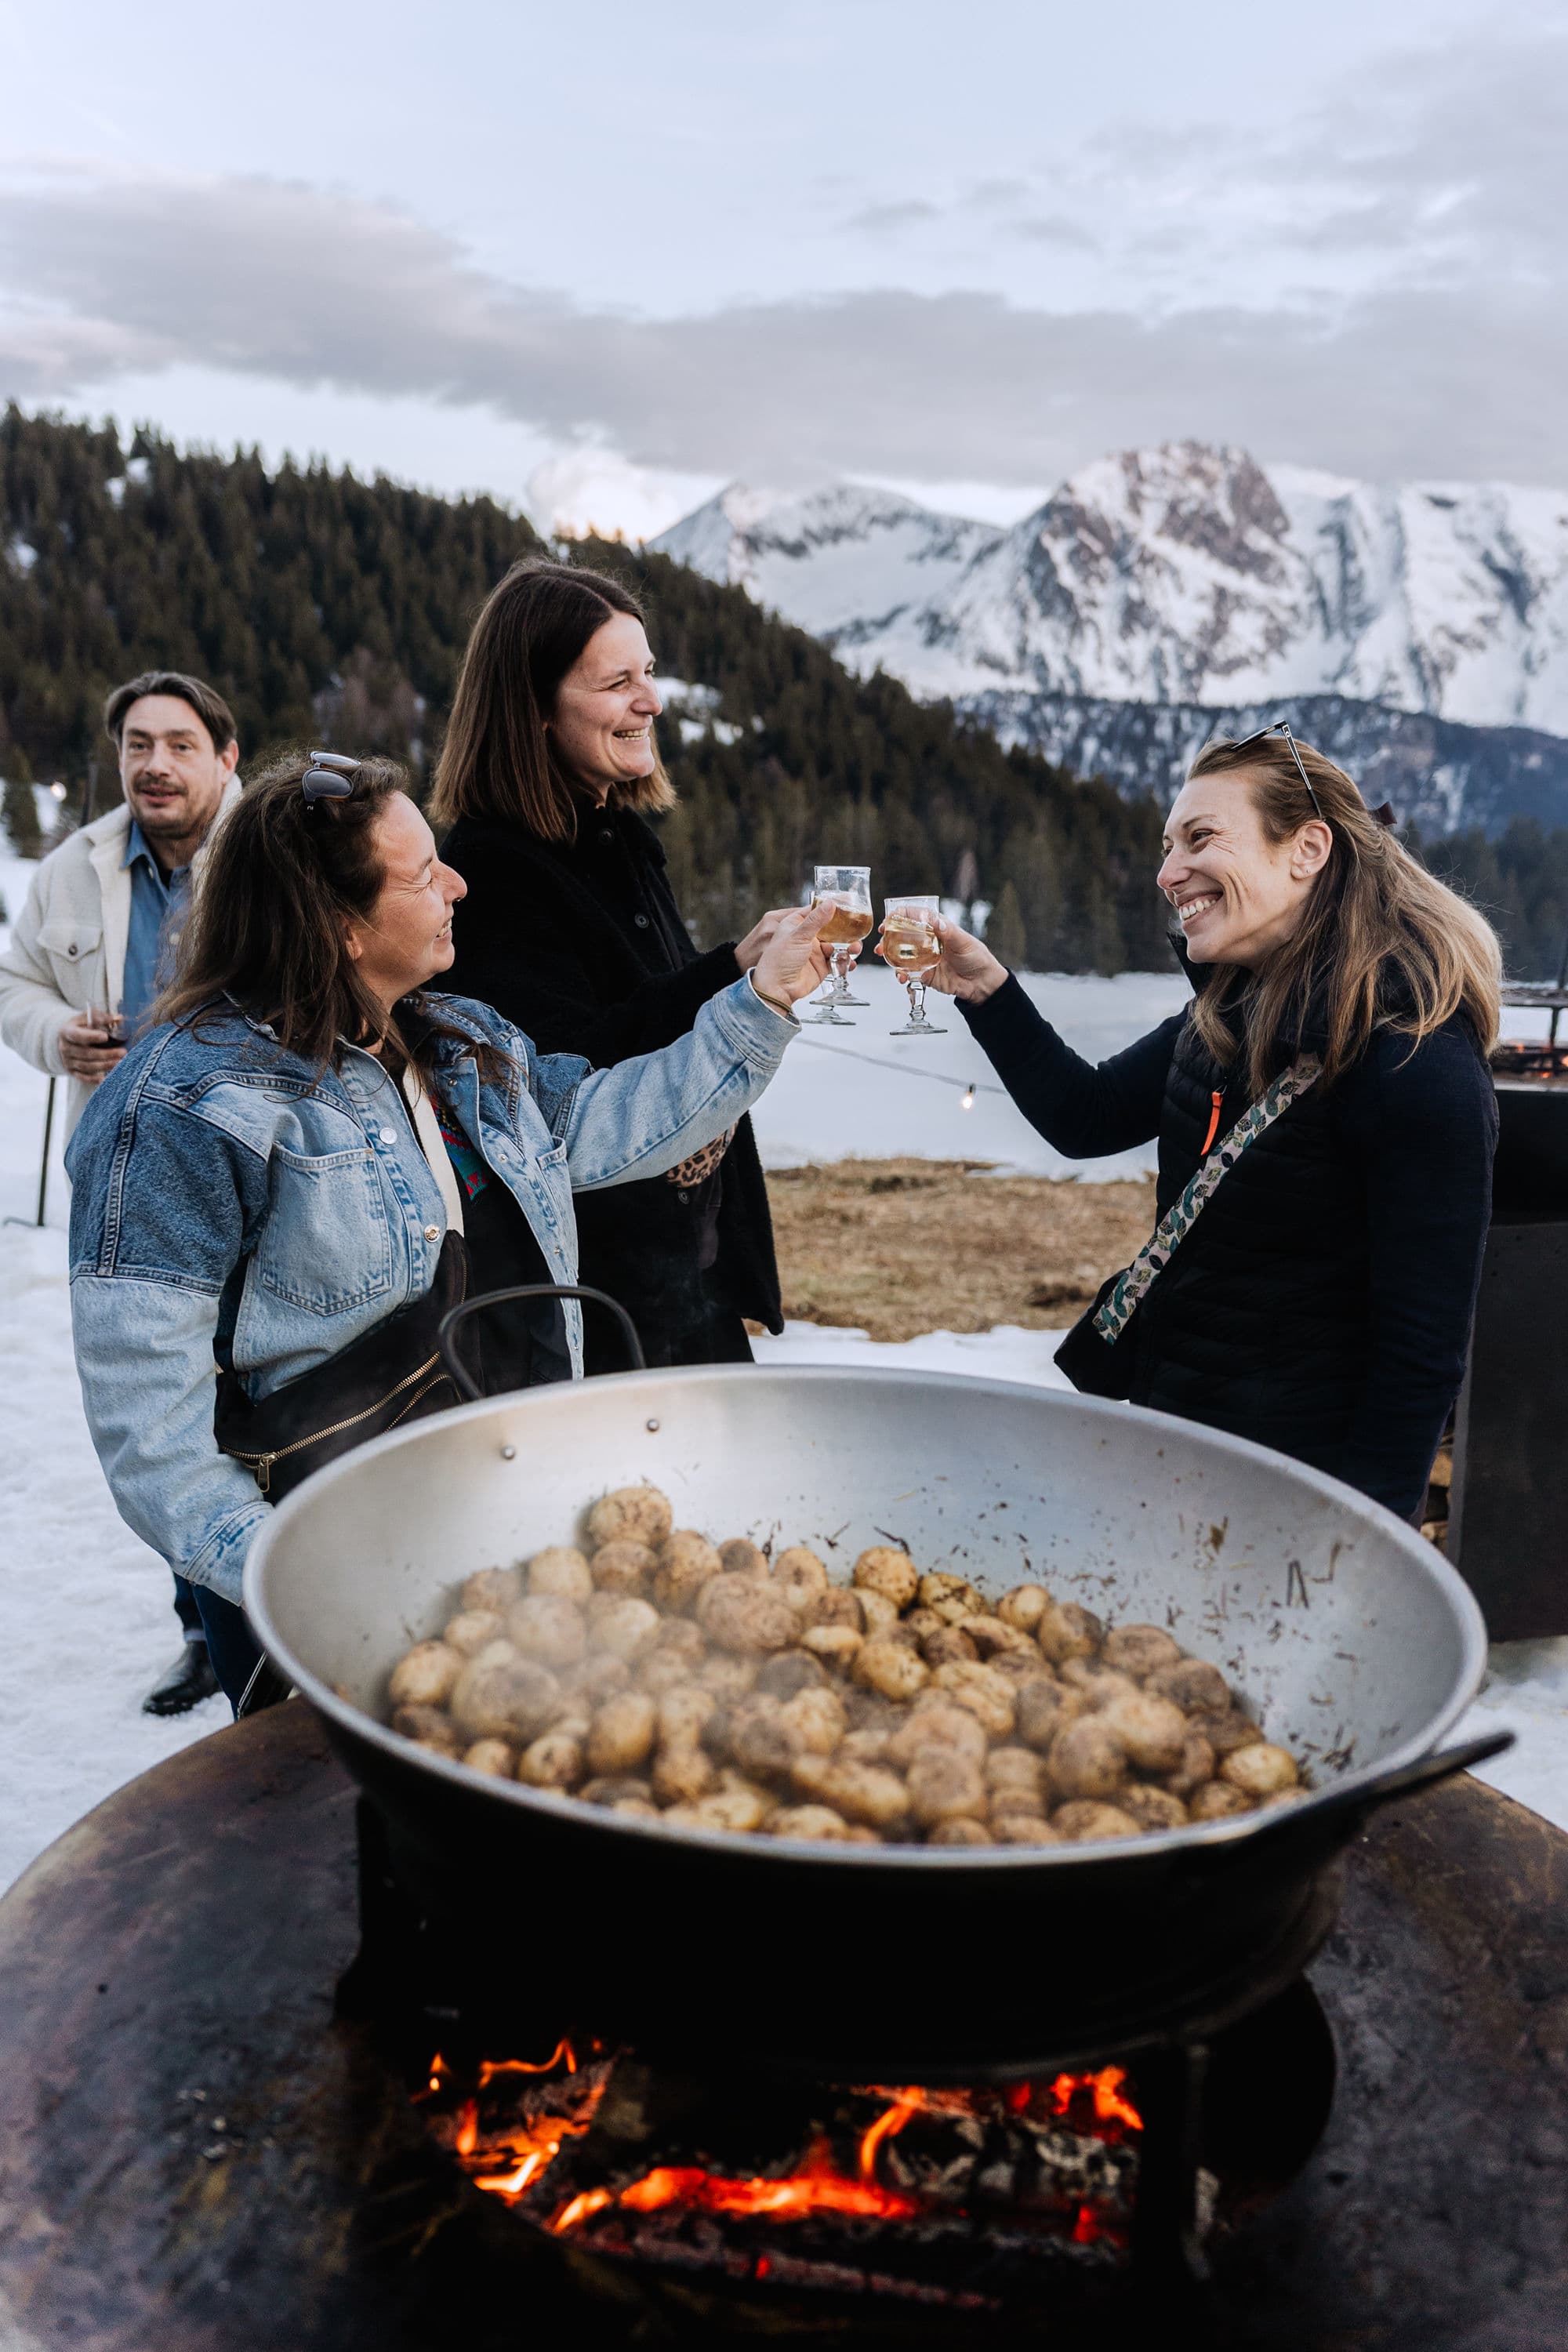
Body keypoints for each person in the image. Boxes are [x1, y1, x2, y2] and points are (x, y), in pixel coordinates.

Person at [64, 751, 832, 1711]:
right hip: (330, 1575)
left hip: (507, 1531)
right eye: (425, 874)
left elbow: (608, 1122)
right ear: (340, 927)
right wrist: (296, 1578)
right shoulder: (177, 1109)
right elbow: (152, 1429)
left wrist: (760, 1004)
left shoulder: (459, 1037)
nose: (459, 883)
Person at [904, 730, 1501, 1522]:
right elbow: (1086, 1117)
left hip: (1290, 1491)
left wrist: (1355, 1556)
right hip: (1175, 1443)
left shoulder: (1412, 1060)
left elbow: (1419, 1357)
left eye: (1199, 838)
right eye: (1165, 845)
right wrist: (987, 990)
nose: (1166, 872)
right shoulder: (1228, 1010)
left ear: (1306, 849)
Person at [434, 561, 799, 1374]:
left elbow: (648, 1011)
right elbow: (558, 1087)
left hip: (683, 1275)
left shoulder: (622, 837)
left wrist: (735, 964)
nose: (651, 702)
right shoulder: (492, 870)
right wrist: (732, 982)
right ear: (533, 707)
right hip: (591, 1304)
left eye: (650, 673)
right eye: (617, 682)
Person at [0, 670, 242, 1716]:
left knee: (263, 1396)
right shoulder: (72, 868)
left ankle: (279, 1616)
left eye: (181, 743)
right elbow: (12, 984)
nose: (155, 763)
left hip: (255, 1171)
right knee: (164, 1417)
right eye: (138, 744)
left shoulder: (276, 851)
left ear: (227, 758)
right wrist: (54, 1035)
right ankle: (205, 1629)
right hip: (123, 1178)